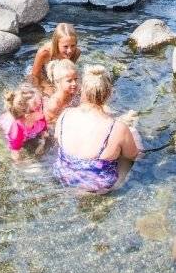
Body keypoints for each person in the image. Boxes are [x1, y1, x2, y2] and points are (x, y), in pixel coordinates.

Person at [53, 65, 140, 194]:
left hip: (64, 177)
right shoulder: (117, 128)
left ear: (82, 90)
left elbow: (56, 138)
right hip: (97, 186)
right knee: (134, 139)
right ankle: (118, 185)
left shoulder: (65, 114)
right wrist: (131, 132)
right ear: (109, 93)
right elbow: (132, 156)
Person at [0, 82, 48, 161]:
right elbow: (15, 155)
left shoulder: (40, 117)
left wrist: (42, 142)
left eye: (41, 103)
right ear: (28, 115)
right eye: (39, 107)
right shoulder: (17, 131)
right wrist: (25, 164)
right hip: (9, 130)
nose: (44, 106)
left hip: (28, 130)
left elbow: (44, 131)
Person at [30, 23, 81, 91]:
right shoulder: (44, 52)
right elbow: (35, 76)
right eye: (65, 46)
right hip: (41, 74)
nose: (70, 51)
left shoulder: (76, 53)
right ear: (56, 44)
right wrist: (45, 86)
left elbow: (68, 72)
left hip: (57, 74)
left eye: (73, 45)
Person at [43, 59, 79, 125]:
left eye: (76, 79)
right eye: (69, 81)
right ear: (58, 81)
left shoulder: (75, 93)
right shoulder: (54, 105)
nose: (74, 83)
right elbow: (49, 125)